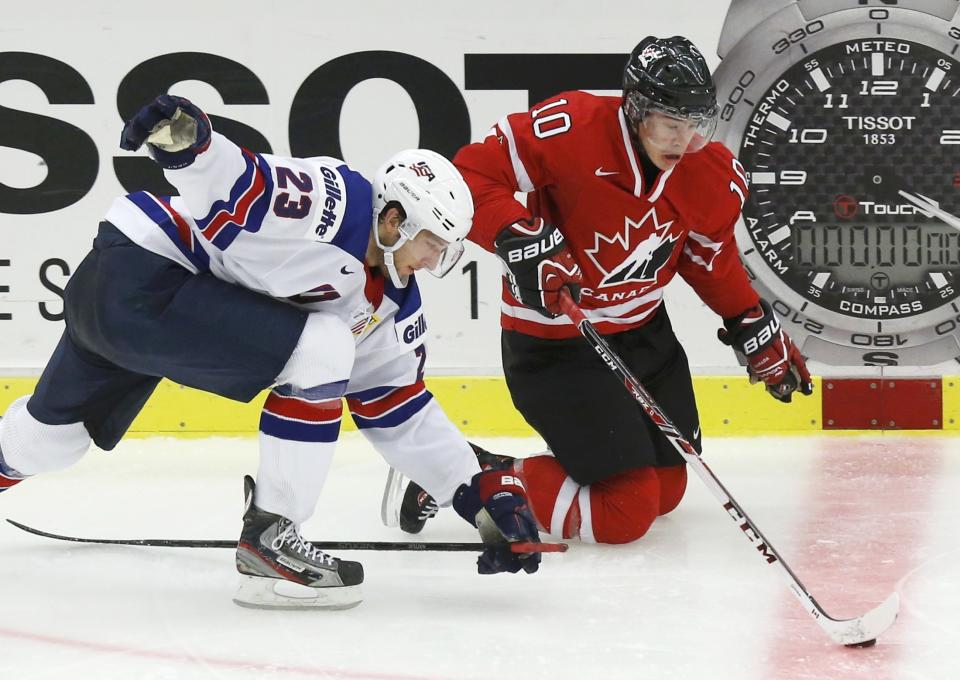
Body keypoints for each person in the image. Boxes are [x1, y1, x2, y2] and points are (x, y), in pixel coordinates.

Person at [0, 94, 541, 609]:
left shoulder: (391, 305)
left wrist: (477, 492)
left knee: (48, 442)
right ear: (395, 219)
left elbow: (397, 409)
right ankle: (271, 538)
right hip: (145, 275)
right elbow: (248, 181)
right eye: (432, 243)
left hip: (126, 303)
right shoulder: (338, 203)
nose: (432, 260)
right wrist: (191, 142)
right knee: (322, 349)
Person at [399, 36, 813, 544]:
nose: (682, 141)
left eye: (695, 124)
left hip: (644, 337)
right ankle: (464, 477)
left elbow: (709, 258)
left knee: (668, 488)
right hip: (556, 345)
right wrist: (519, 236)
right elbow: (470, 176)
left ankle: (483, 464)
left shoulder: (708, 173)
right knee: (625, 512)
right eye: (669, 123)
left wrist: (748, 319)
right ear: (636, 110)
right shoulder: (571, 129)